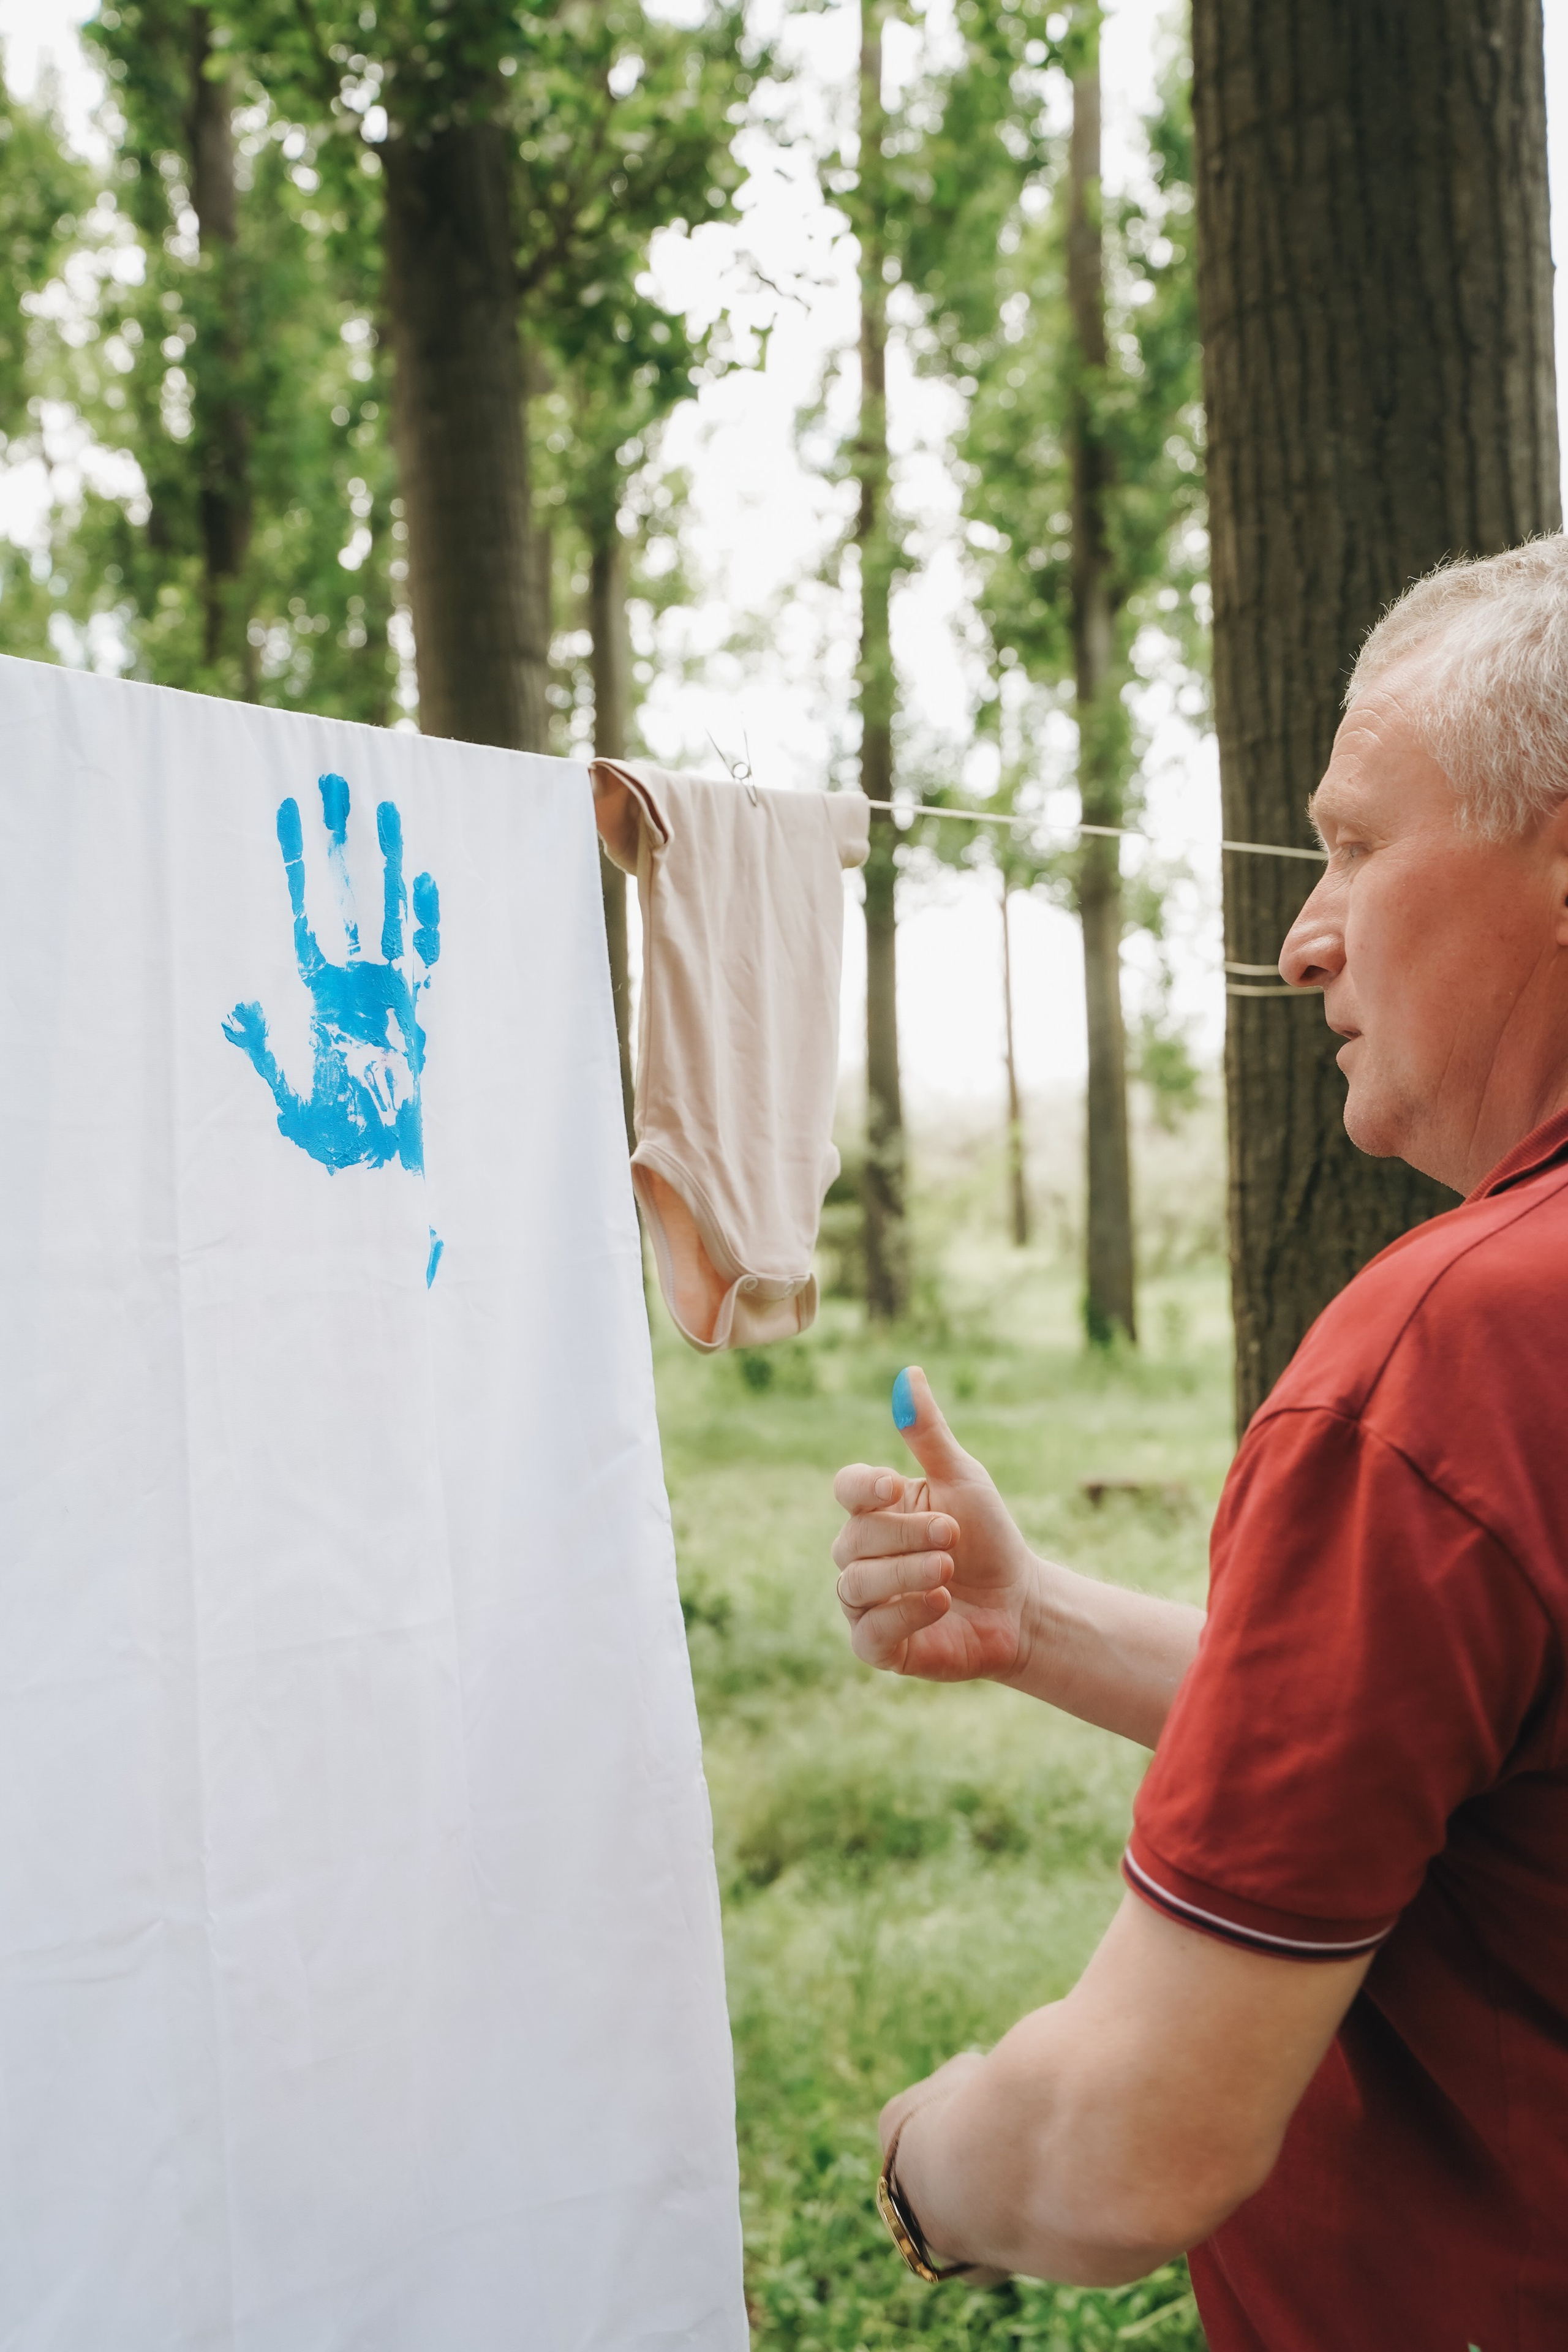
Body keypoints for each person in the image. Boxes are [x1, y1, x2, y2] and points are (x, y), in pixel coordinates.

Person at [831, 537, 1568, 2351]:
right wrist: (1040, 1623)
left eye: (1359, 843)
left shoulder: (1452, 1354)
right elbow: (1488, 1758)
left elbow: (1127, 2158)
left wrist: (920, 2163)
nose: (1302, 930)